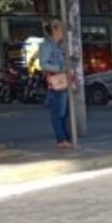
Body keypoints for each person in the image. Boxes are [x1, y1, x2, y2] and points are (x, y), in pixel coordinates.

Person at [39, 20, 72, 148]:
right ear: (55, 30)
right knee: (58, 111)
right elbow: (44, 64)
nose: (63, 32)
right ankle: (61, 138)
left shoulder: (61, 45)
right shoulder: (47, 45)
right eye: (61, 29)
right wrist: (59, 68)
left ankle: (66, 137)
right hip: (56, 79)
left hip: (64, 79)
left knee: (64, 111)